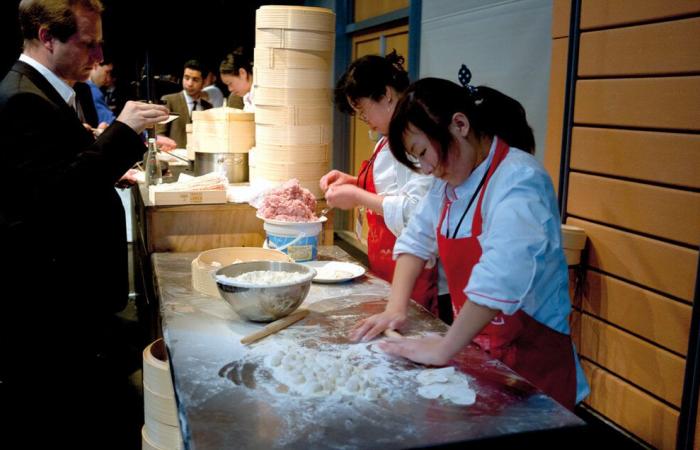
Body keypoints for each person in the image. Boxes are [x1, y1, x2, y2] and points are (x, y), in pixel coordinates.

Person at [350, 71, 589, 411]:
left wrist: (445, 347)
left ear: (459, 125)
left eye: (422, 152)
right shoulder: (448, 185)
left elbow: (500, 277)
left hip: (535, 365)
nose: (427, 168)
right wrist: (395, 309)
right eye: (416, 160)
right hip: (482, 348)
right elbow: (415, 241)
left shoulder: (520, 180)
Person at [0, 0, 169, 446]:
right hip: (53, 302)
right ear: (46, 36)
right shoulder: (21, 97)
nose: (97, 58)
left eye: (100, 45)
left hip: (72, 296)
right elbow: (55, 197)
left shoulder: (50, 91)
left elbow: (62, 165)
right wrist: (124, 132)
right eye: (87, 44)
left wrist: (109, 154)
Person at [320, 51, 446, 319]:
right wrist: (354, 183)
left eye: (364, 111)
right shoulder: (386, 139)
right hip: (390, 264)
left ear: (387, 94)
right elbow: (394, 192)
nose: (364, 120)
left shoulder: (415, 137)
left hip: (422, 273)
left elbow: (418, 213)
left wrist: (356, 196)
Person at [156, 59, 212, 147]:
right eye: (186, 78)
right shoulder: (169, 100)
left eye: (195, 80)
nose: (190, 83)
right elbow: (159, 133)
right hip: (174, 156)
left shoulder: (208, 107)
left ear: (204, 82)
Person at [87, 58, 115, 124]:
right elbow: (109, 122)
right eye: (107, 72)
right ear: (95, 66)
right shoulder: (91, 89)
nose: (108, 79)